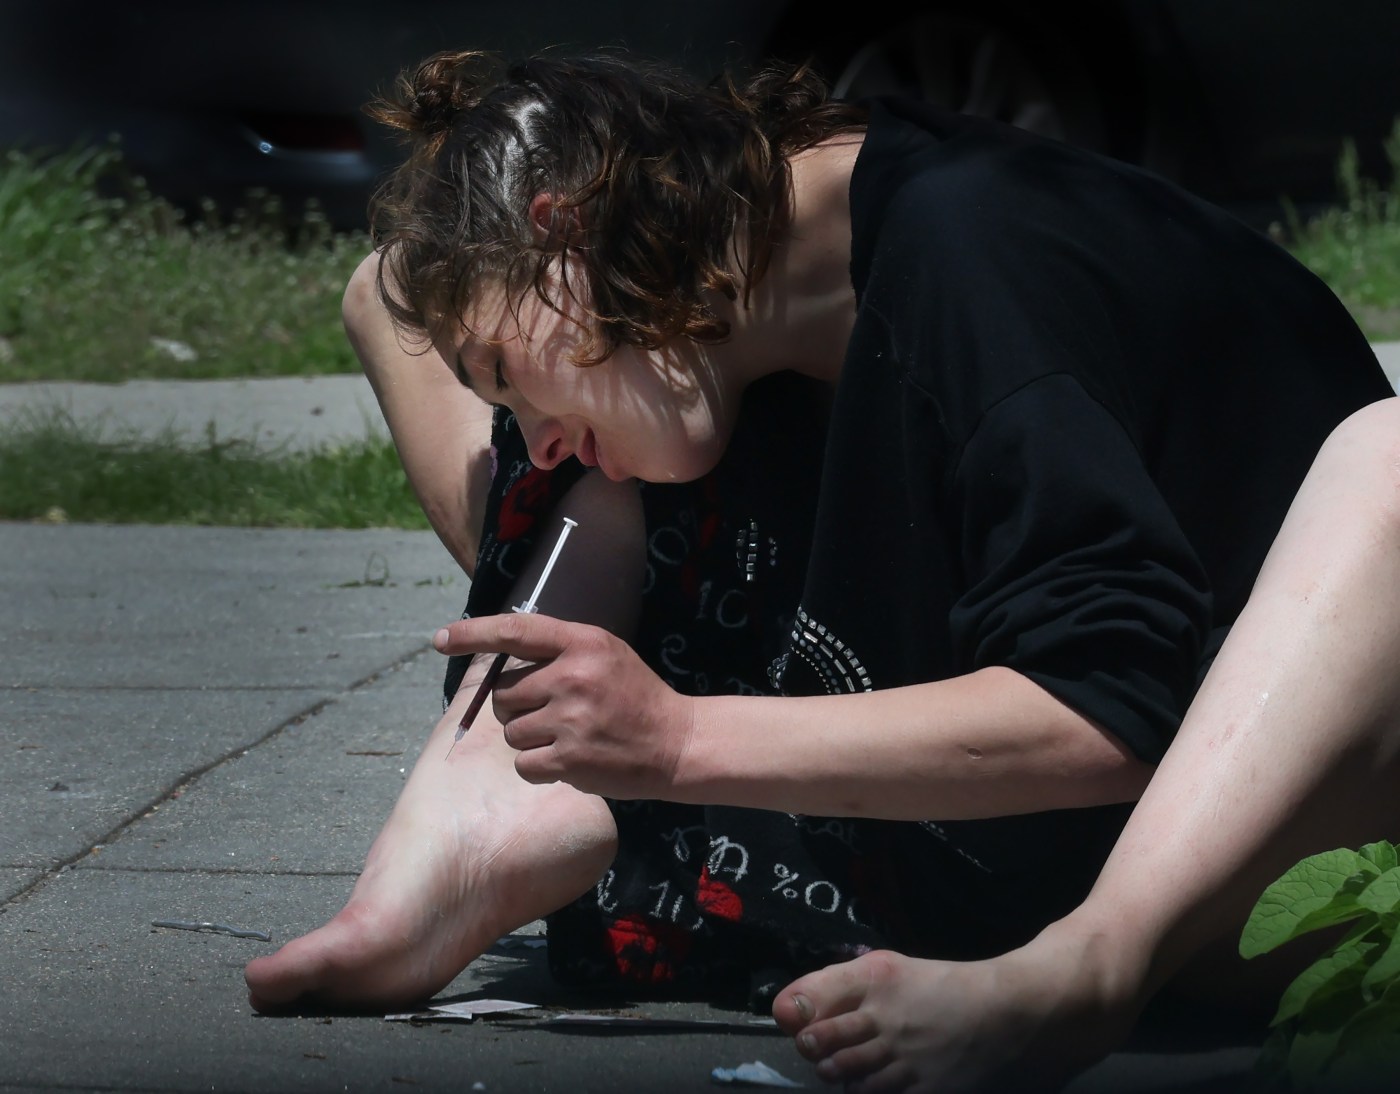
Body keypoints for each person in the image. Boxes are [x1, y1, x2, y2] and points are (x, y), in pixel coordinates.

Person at [247, 46, 1398, 1087]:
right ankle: (486, 794)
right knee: (490, 352)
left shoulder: (965, 256)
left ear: (563, 229)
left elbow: (1110, 707)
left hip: (1270, 833)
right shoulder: (737, 258)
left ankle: (1081, 972)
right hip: (977, 848)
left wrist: (677, 740)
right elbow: (447, 326)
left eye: (504, 376)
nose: (530, 442)